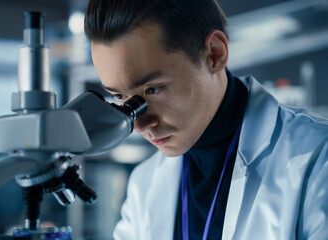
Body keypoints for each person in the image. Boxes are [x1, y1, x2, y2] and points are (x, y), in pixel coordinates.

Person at [84, 0, 328, 239]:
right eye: (119, 96)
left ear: (215, 54)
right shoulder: (144, 183)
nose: (138, 125)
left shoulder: (317, 159)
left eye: (153, 89)